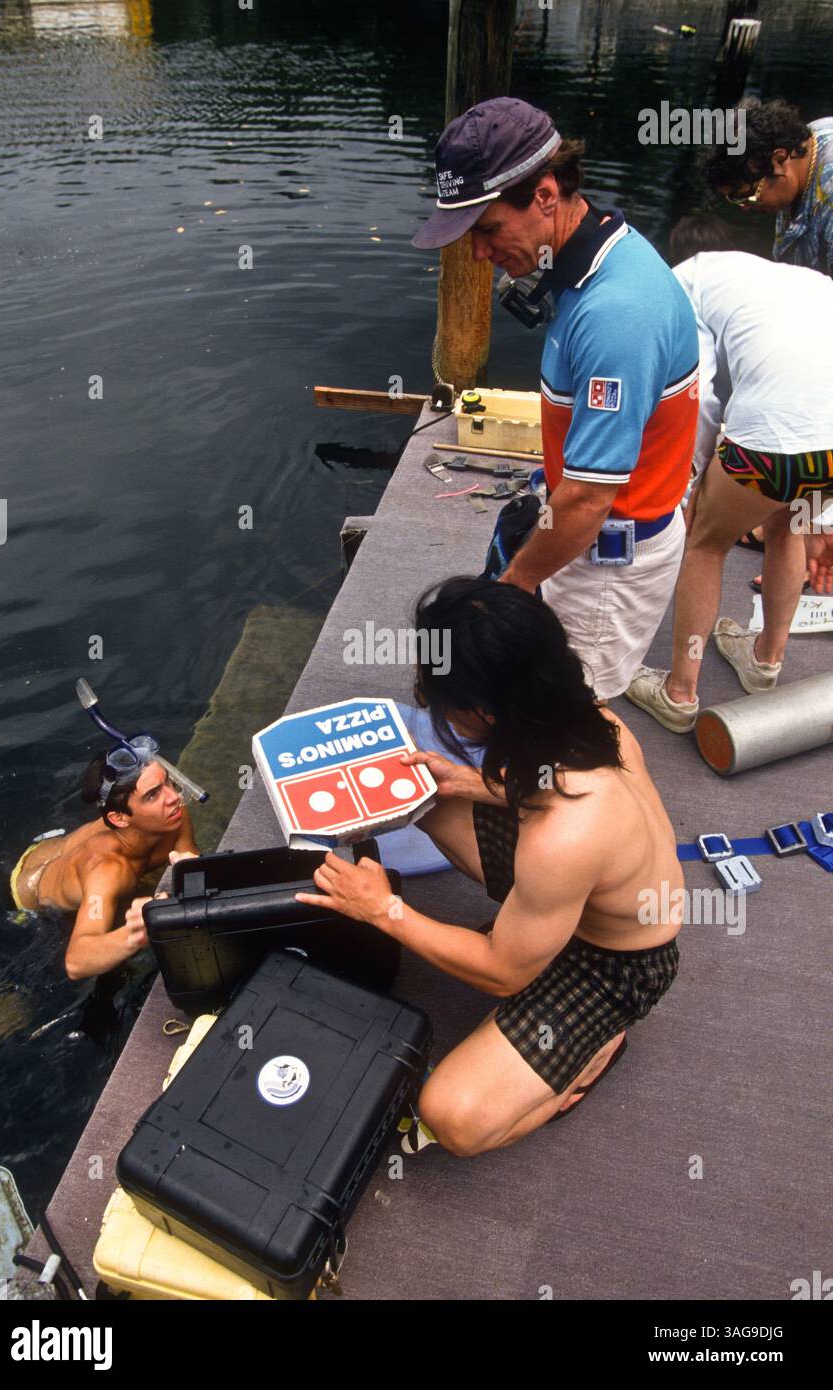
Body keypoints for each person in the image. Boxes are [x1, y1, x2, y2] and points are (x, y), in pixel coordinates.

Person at [296, 577, 682, 1157]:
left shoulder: (566, 835)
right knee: (426, 795)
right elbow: (547, 784)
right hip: (580, 892)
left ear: (482, 711)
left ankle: (593, 1053)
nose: (424, 695)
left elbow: (504, 975)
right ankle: (538, 934)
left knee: (449, 1117)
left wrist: (385, 911)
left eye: (434, 693)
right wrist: (472, 783)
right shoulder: (586, 717)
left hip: (616, 964)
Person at [410, 96, 699, 699]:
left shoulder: (615, 314)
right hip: (595, 534)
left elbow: (591, 499)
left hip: (607, 561)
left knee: (571, 710)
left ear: (545, 195)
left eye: (487, 229)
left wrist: (508, 590)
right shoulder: (598, 253)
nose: (479, 254)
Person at [625, 247, 833, 733]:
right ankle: (765, 662)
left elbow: (698, 392)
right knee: (788, 529)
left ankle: (679, 693)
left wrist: (694, 476)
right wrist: (825, 520)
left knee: (705, 542)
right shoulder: (793, 280)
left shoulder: (679, 287)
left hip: (771, 446)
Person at [10, 741, 198, 979]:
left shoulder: (172, 814)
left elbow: (193, 863)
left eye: (167, 782)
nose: (173, 797)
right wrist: (134, 934)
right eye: (152, 795)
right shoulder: (107, 871)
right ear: (119, 818)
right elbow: (76, 962)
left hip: (61, 849)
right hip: (30, 891)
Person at [707, 98, 833, 277]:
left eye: (749, 195)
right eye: (735, 199)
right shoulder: (803, 145)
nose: (745, 207)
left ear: (779, 160)